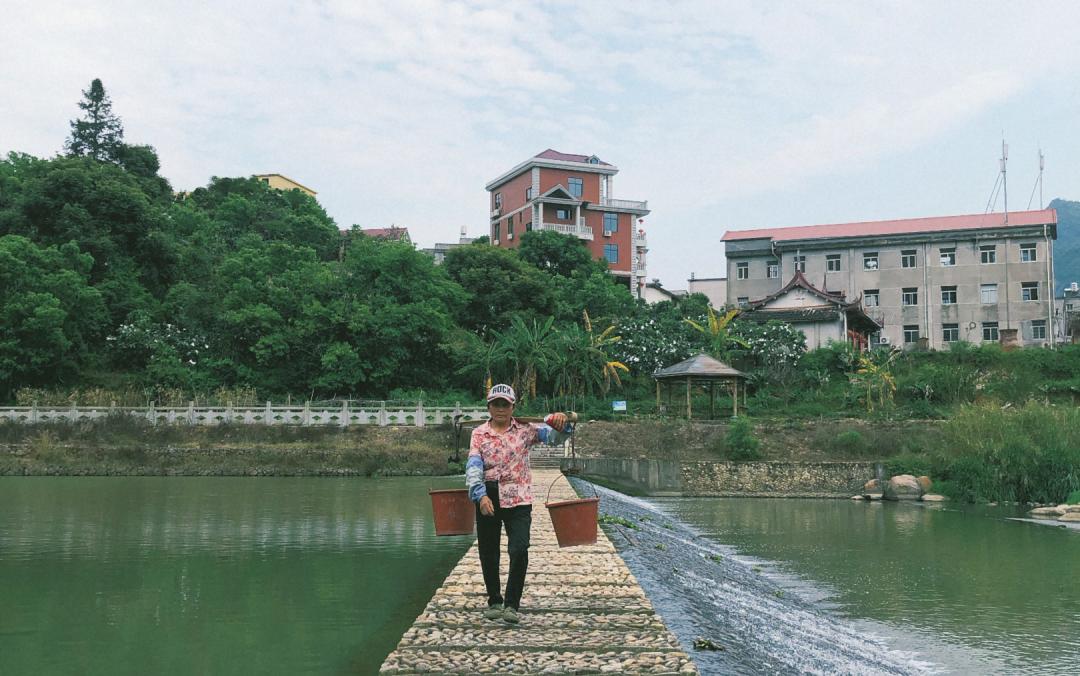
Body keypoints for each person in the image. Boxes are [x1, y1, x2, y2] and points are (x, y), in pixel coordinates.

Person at [465, 383, 571, 624]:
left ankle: (512, 604)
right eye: (496, 404)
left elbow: (554, 438)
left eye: (505, 404)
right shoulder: (479, 434)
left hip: (519, 497)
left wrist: (562, 424)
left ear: (513, 407)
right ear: (489, 407)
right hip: (488, 495)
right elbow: (473, 467)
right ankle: (494, 600)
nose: (500, 408)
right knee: (488, 551)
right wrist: (479, 496)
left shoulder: (526, 430)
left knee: (519, 549)